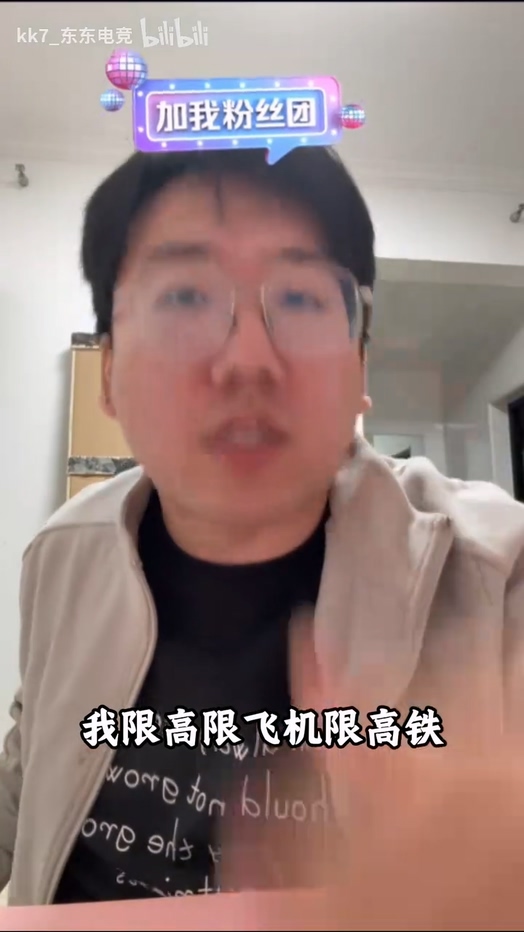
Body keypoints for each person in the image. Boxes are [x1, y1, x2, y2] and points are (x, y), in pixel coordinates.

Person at [1, 144, 524, 927]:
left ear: (359, 365)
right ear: (107, 373)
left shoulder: (498, 572)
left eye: (302, 299)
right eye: (184, 296)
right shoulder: (63, 555)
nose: (249, 359)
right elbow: (25, 776)